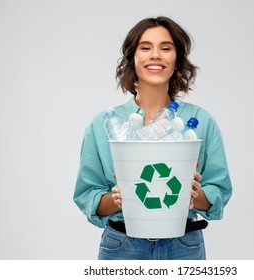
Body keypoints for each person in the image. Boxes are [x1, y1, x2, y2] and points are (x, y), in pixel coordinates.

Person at [73, 16, 232, 260]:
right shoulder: (101, 125)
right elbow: (87, 194)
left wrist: (194, 196)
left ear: (177, 59)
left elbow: (219, 191)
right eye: (145, 48)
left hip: (183, 246)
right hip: (122, 247)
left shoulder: (202, 121)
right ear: (132, 58)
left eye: (165, 48)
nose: (155, 55)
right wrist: (117, 198)